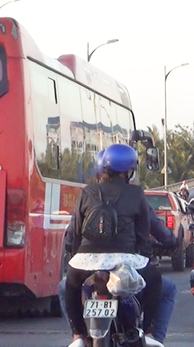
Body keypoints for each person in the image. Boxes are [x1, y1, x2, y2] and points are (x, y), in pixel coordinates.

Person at [65, 144, 162, 347]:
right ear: (129, 170)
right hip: (125, 259)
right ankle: (150, 333)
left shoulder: (88, 192)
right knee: (155, 280)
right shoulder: (136, 193)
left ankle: (77, 335)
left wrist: (75, 255)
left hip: (87, 259)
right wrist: (146, 254)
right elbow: (143, 235)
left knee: (71, 284)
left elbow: (76, 231)